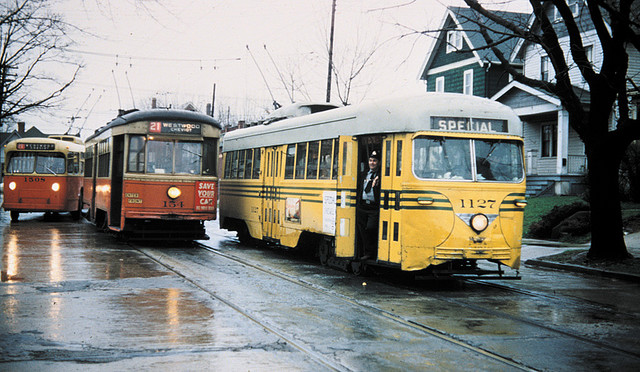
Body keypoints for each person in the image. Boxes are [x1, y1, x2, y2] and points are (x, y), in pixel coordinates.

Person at [356, 150, 381, 260]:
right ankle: (365, 252)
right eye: (370, 160)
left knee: (371, 228)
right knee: (362, 229)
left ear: (378, 162)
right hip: (363, 206)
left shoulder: (381, 175)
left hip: (373, 207)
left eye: (374, 161)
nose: (372, 163)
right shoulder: (364, 173)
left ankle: (373, 252)